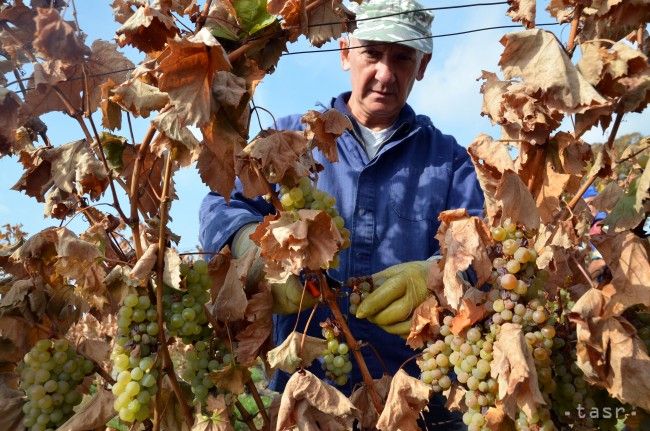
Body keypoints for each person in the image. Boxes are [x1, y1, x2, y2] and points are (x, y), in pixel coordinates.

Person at [199, 0, 484, 428]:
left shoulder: (451, 162)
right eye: (372, 53)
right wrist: (247, 249)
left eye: (402, 57)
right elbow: (221, 204)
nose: (385, 74)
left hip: (417, 406)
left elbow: (482, 250)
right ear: (345, 53)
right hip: (306, 401)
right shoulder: (287, 141)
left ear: (422, 66)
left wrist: (436, 274)